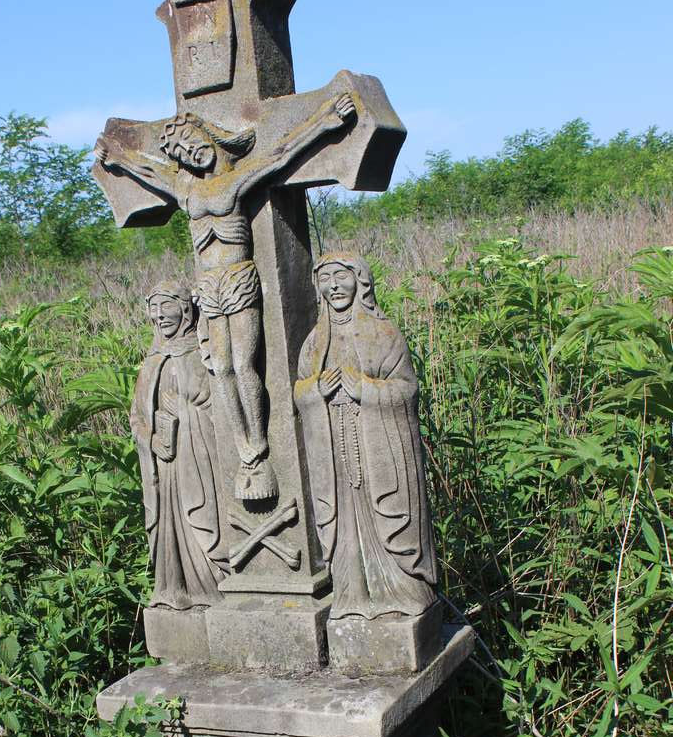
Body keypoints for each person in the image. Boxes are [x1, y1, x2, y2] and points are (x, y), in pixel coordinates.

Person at [96, 93, 356, 501]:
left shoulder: (235, 179)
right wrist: (120, 158)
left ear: (210, 137)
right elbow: (151, 171)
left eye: (193, 142)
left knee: (242, 363)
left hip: (238, 278)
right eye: (181, 151)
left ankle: (259, 442)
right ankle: (243, 451)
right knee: (220, 368)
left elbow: (279, 155)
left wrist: (324, 122)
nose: (190, 153)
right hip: (209, 287)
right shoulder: (187, 191)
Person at [294, 253, 437, 619]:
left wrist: (367, 390)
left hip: (377, 444)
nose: (335, 286)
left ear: (360, 281)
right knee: (342, 519)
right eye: (326, 279)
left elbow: (407, 389)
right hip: (333, 447)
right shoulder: (313, 343)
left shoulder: (383, 333)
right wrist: (314, 391)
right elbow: (299, 392)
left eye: (341, 276)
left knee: (384, 516)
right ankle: (352, 595)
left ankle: (401, 593)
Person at [130, 282, 227, 609]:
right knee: (170, 524)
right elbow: (136, 416)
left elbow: (220, 403)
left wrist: (186, 409)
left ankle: (213, 587)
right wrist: (153, 439)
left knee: (203, 523)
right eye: (154, 309)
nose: (160, 316)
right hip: (165, 465)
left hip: (199, 459)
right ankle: (175, 590)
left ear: (185, 308)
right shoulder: (153, 360)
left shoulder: (201, 351)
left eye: (166, 306)